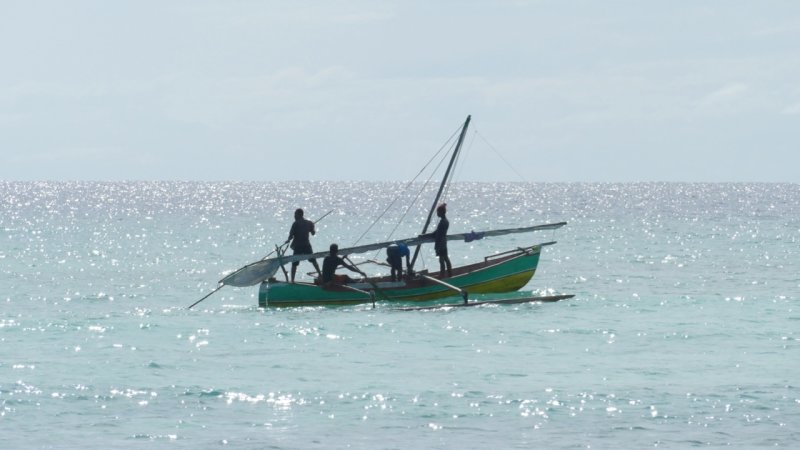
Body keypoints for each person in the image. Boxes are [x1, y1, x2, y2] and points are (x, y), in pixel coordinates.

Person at [285, 208, 321, 282]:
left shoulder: (295, 224)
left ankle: (292, 280)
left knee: (294, 263)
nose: (294, 216)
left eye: (295, 214)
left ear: (299, 215)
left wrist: (288, 240)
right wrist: (312, 227)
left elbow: (291, 236)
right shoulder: (309, 223)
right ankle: (320, 275)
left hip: (298, 246)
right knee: (313, 261)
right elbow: (313, 233)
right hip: (306, 245)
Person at [432, 203, 452, 277]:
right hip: (443, 241)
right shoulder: (445, 221)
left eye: (438, 212)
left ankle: (442, 274)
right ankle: (449, 273)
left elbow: (438, 233)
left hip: (440, 242)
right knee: (445, 258)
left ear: (441, 212)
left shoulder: (443, 222)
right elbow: (438, 232)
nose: (437, 213)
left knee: (441, 259)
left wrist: (431, 235)